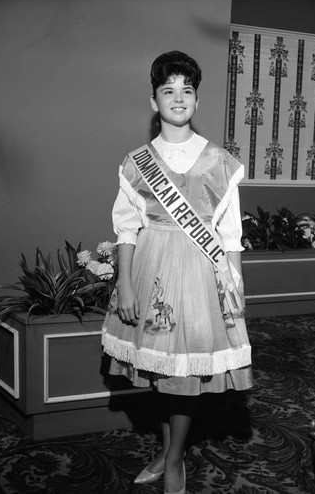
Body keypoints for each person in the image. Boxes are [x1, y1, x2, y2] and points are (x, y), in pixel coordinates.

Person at [102, 50, 253, 494]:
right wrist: (124, 284)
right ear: (154, 101)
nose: (178, 97)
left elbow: (229, 237)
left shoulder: (221, 162)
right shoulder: (136, 163)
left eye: (187, 89)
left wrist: (236, 289)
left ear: (197, 100)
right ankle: (169, 449)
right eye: (168, 90)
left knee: (185, 378)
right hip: (150, 274)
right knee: (160, 373)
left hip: (202, 280)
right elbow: (127, 230)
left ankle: (172, 458)